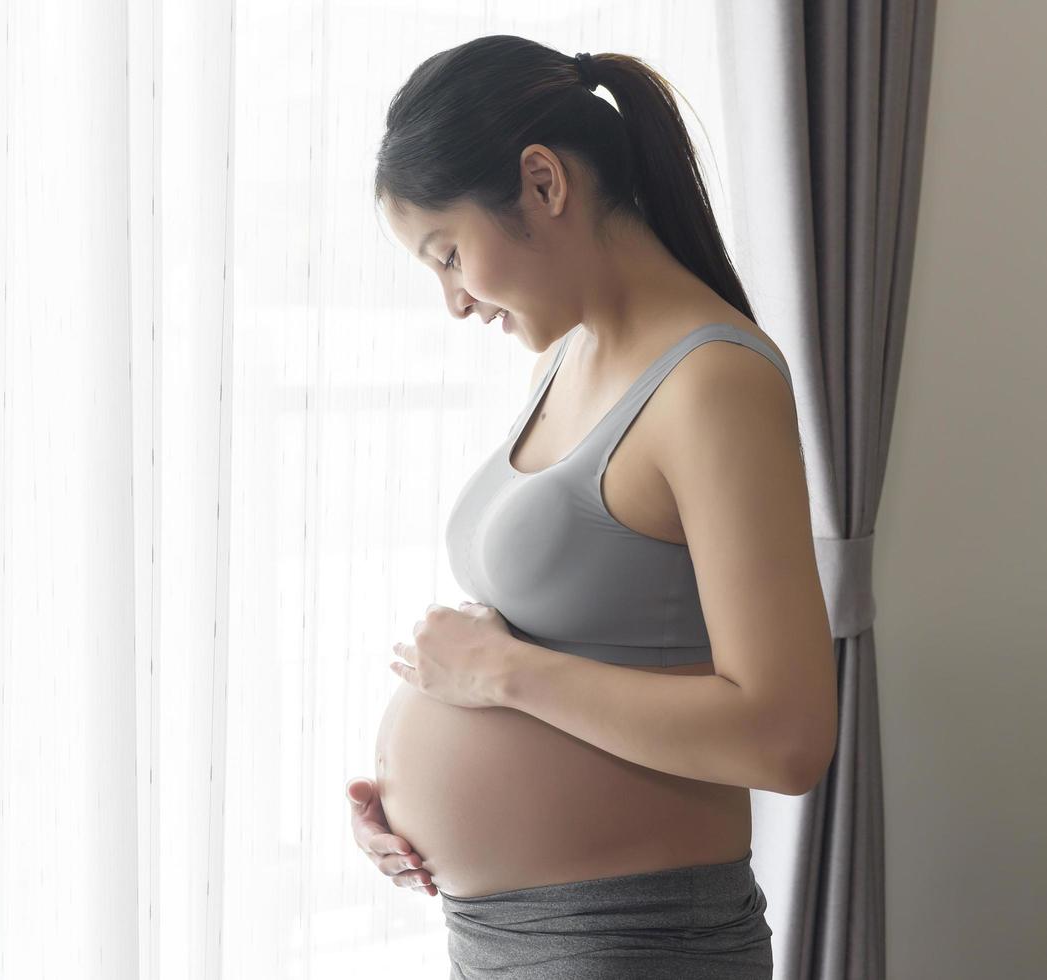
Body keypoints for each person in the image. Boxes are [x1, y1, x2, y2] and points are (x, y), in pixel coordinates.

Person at [346, 36, 838, 979]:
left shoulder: (711, 384)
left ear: (542, 182)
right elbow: (578, 628)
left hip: (630, 940)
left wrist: (497, 679)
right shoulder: (562, 358)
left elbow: (784, 739)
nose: (453, 302)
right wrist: (409, 801)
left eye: (448, 253)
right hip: (504, 936)